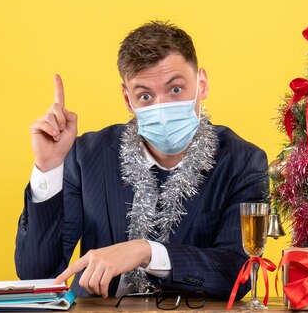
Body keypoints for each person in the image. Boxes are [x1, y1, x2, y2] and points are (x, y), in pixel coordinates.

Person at [15, 21, 268, 300]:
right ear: (127, 99)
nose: (161, 106)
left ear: (202, 84)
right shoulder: (86, 155)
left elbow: (239, 273)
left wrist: (146, 252)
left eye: (175, 90)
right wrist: (48, 168)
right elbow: (37, 275)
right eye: (145, 96)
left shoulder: (243, 162)